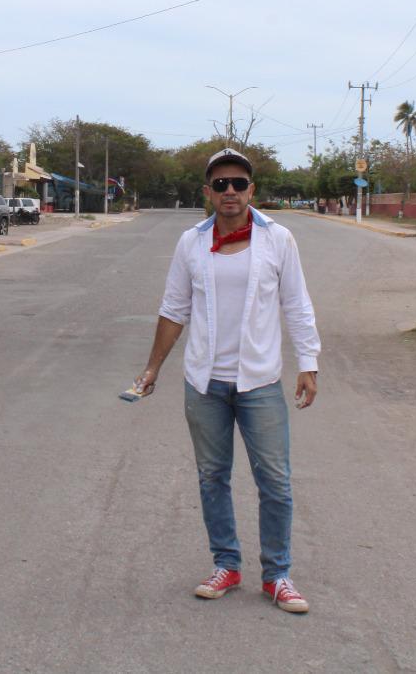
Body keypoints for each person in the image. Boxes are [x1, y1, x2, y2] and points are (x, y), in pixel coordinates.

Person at [132, 147, 321, 614]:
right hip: (204, 383)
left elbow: (296, 304)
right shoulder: (191, 243)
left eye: (238, 183)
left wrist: (309, 363)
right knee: (212, 477)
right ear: (208, 192)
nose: (230, 191)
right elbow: (174, 309)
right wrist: (153, 367)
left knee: (275, 481)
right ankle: (227, 565)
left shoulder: (278, 239)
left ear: (252, 190)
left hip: (259, 382)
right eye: (221, 185)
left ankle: (277, 575)